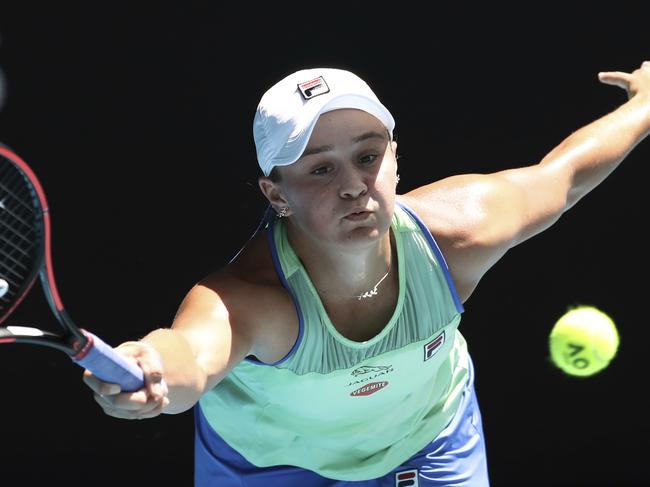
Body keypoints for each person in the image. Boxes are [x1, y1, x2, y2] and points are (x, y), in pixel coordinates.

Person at [82, 61, 650, 486]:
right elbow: (188, 355)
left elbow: (565, 176)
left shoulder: (460, 234)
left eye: (368, 155)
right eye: (321, 168)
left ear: (395, 157)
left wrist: (645, 104)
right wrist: (152, 368)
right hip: (274, 468)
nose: (353, 184)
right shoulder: (253, 298)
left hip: (428, 442)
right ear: (275, 194)